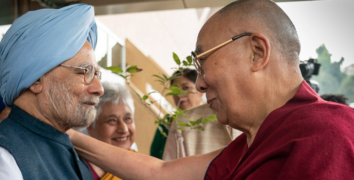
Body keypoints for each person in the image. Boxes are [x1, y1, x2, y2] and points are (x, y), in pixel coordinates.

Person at [68, 0, 354, 179]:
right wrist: (67, 135)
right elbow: (160, 172)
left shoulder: (328, 133)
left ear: (256, 52)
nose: (200, 83)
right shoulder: (253, 144)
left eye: (203, 61)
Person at [0, 4, 103, 180]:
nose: (99, 88)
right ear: (36, 80)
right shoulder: (3, 159)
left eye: (96, 74)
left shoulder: (66, 149)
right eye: (84, 72)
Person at [85, 82, 136, 180]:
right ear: (90, 127)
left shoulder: (142, 165)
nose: (124, 129)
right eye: (112, 120)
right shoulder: (77, 168)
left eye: (128, 118)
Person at [150, 69, 204, 159]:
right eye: (175, 90)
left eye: (186, 88)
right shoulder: (167, 123)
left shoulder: (212, 121)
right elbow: (154, 157)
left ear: (200, 91)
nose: (179, 95)